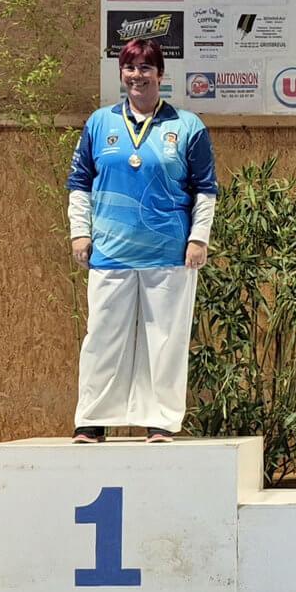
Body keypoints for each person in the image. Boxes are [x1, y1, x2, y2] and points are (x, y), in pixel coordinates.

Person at [66, 39, 218, 443]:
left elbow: (205, 190)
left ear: (160, 75)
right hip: (110, 251)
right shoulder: (99, 123)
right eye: (130, 68)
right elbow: (80, 184)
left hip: (169, 252)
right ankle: (92, 420)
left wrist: (198, 238)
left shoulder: (187, 126)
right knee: (102, 337)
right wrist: (80, 232)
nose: (137, 76)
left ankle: (161, 420)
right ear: (122, 74)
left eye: (146, 68)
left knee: (165, 340)